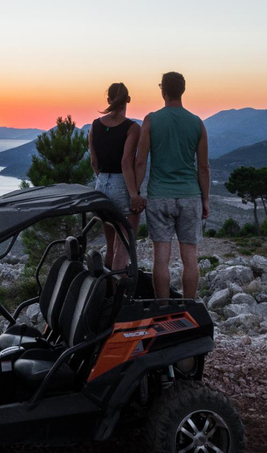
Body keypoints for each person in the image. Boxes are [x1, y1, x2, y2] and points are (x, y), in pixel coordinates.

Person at [134, 71, 210, 299]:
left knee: (161, 258)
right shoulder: (197, 123)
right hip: (190, 196)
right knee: (190, 258)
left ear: (163, 91)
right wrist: (205, 199)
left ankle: (163, 308)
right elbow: (203, 167)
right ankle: (189, 307)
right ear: (183, 91)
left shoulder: (151, 120)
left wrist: (135, 192)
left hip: (159, 197)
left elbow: (140, 162)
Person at [89, 82, 145, 270]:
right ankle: (119, 286)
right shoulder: (132, 128)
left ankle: (107, 285)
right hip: (121, 185)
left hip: (101, 185)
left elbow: (94, 162)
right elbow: (126, 162)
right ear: (128, 99)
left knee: (110, 245)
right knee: (123, 245)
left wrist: (103, 179)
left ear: (108, 100)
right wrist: (134, 195)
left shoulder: (95, 125)